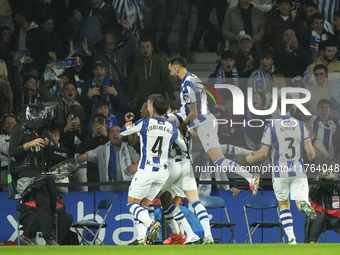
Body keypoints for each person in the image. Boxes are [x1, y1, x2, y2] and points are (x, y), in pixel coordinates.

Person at [168, 56, 260, 195]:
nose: (170, 74)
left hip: (204, 124)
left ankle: (250, 177)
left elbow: (193, 112)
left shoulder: (187, 85)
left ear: (176, 69)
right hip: (205, 121)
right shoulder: (193, 77)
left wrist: (183, 125)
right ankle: (249, 157)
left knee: (218, 160)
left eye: (170, 70)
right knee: (216, 151)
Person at [245, 96, 317, 244]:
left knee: (284, 205)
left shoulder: (271, 126)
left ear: (277, 107)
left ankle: (291, 239)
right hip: (298, 171)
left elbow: (263, 153)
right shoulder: (301, 125)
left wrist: (250, 159)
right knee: (299, 203)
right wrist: (310, 156)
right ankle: (305, 205)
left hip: (279, 172)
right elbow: (310, 153)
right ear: (292, 107)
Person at [122, 96, 187, 243]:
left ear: (152, 109)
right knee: (144, 204)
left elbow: (123, 133)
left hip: (146, 171)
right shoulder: (172, 128)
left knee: (132, 204)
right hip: (162, 174)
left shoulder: (144, 123)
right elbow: (184, 147)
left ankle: (151, 224)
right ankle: (140, 239)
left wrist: (128, 125)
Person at [8, 106, 60, 245]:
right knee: (43, 200)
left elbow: (54, 150)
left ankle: (28, 234)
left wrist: (48, 143)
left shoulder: (41, 132)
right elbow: (12, 151)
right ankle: (48, 238)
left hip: (41, 170)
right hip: (26, 170)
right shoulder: (19, 129)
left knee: (52, 200)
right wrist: (30, 144)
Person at [77, 124, 140, 191]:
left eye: (118, 131)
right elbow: (88, 155)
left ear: (122, 135)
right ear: (109, 136)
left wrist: (136, 165)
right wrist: (75, 161)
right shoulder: (101, 149)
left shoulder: (129, 149)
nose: (115, 133)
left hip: (127, 190)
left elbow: (139, 160)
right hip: (107, 191)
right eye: (112, 132)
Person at [127, 37, 175, 119]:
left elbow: (167, 81)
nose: (145, 50)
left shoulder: (160, 62)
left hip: (157, 103)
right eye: (142, 47)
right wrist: (129, 98)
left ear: (152, 48)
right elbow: (133, 83)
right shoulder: (137, 64)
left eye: (147, 47)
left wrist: (171, 97)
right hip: (142, 102)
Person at [304, 170, 340, 243]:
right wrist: (317, 180)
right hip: (321, 213)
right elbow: (310, 194)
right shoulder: (317, 179)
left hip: (338, 215)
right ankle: (311, 244)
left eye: (333, 172)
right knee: (317, 217)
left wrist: (334, 179)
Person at [78, 114, 109, 191]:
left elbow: (117, 147)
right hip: (93, 176)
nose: (99, 126)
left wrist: (106, 136)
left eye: (101, 123)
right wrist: (93, 136)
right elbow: (81, 150)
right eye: (96, 123)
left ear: (106, 125)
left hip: (108, 175)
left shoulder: (111, 137)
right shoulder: (88, 137)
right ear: (92, 125)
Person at [0, 113, 16, 191]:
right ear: (4, 125)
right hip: (5, 170)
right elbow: (6, 150)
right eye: (8, 123)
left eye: (13, 123)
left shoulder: (22, 137)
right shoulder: (0, 138)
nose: (11, 125)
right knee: (6, 192)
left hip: (18, 169)